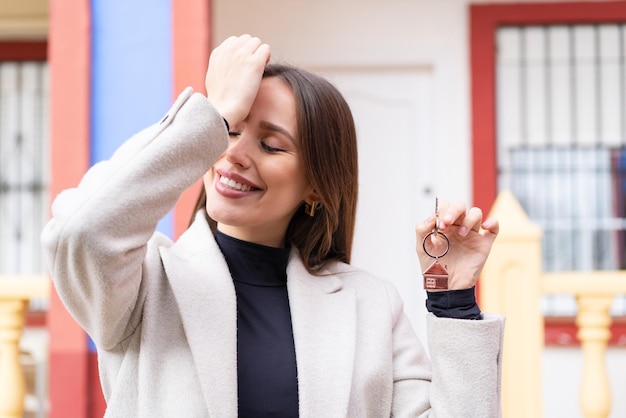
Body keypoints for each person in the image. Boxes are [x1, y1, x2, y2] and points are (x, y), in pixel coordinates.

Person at [42, 34, 504, 417]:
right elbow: (81, 230)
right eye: (230, 130)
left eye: (271, 144)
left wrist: (452, 296)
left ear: (317, 188)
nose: (233, 154)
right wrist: (211, 112)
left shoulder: (371, 305)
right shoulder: (146, 285)